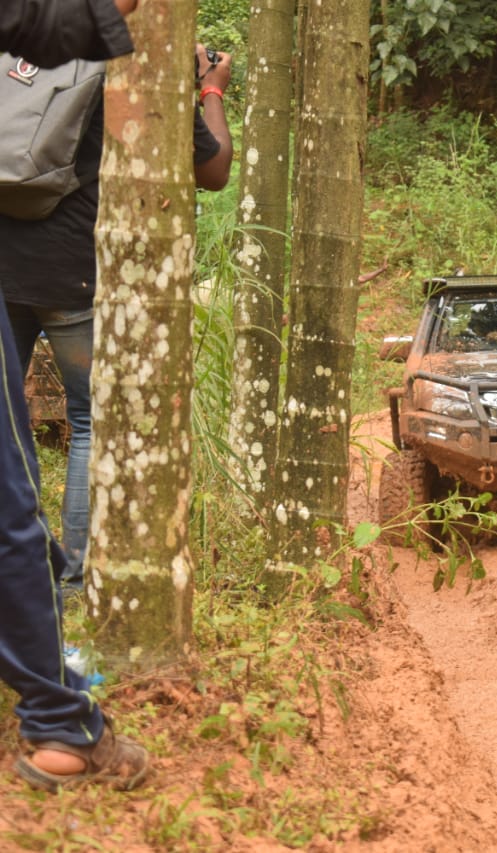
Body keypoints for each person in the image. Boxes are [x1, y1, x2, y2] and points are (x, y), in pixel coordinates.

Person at [0, 45, 234, 589]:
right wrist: (210, 87)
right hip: (72, 270)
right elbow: (214, 170)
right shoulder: (134, 59)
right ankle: (76, 580)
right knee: (89, 421)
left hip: (4, 256)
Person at [0, 0, 150, 792]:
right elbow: (204, 164)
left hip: (11, 269)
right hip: (69, 276)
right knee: (39, 463)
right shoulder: (93, 65)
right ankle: (62, 713)